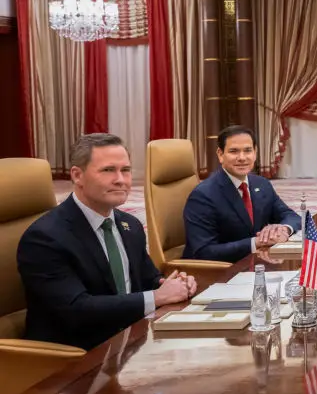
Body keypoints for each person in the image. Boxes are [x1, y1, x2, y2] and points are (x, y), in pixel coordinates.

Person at [17, 134, 197, 350]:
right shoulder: (45, 238)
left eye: (126, 170)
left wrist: (173, 284)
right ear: (77, 175)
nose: (121, 179)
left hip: (129, 344)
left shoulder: (129, 225)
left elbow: (149, 279)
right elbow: (76, 309)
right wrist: (157, 297)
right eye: (108, 170)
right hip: (75, 359)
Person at [183, 125, 301, 263]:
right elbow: (204, 252)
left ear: (255, 152)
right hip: (218, 273)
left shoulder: (261, 184)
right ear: (220, 155)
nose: (242, 158)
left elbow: (291, 216)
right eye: (234, 151)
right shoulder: (203, 196)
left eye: (248, 151)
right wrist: (256, 242)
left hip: (255, 264)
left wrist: (283, 230)